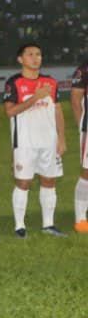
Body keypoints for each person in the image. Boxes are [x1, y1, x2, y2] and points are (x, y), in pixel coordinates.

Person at [3, 43, 65, 237]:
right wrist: (35, 98)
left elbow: (58, 110)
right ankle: (19, 226)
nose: (35, 57)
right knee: (23, 182)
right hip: (24, 142)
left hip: (49, 141)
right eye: (30, 54)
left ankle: (48, 224)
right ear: (20, 59)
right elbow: (10, 111)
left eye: (38, 54)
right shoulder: (14, 82)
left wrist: (61, 138)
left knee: (49, 181)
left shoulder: (50, 82)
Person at [71, 60, 88, 233]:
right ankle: (81, 219)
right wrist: (81, 127)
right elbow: (76, 101)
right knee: (87, 173)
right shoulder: (84, 69)